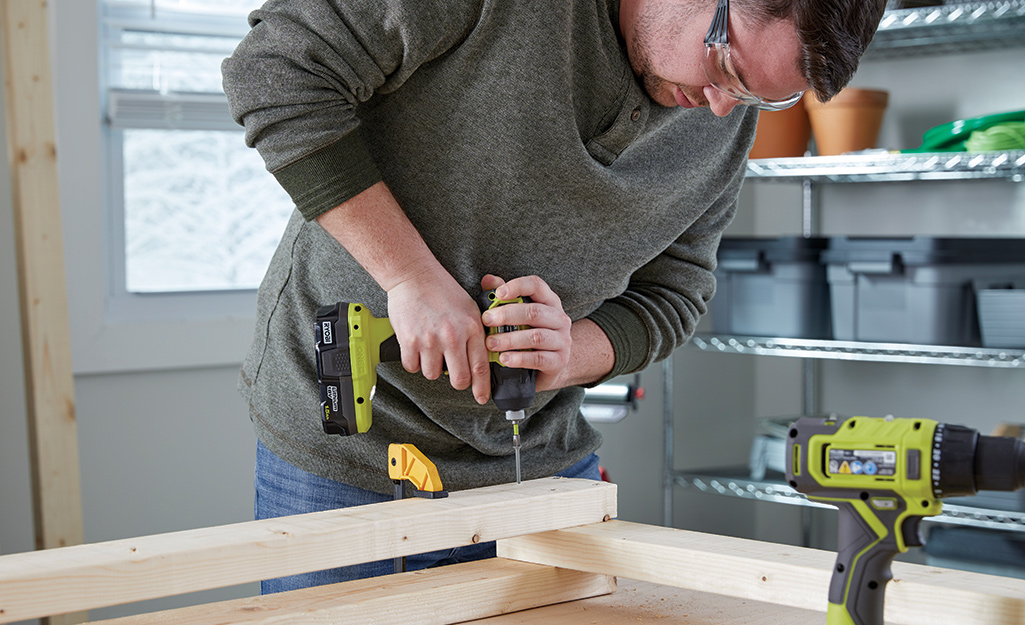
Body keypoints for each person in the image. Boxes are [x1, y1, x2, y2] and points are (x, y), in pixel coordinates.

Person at [222, 0, 886, 592]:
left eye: (756, 96)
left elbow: (677, 290)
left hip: (541, 466)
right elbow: (276, 73)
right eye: (723, 65)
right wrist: (409, 277)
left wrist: (573, 353)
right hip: (349, 455)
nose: (719, 106)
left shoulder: (720, 120)